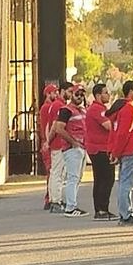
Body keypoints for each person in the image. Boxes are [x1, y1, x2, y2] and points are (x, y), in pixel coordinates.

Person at [97, 80, 133, 223]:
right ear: (131, 91)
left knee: (124, 183)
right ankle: (126, 215)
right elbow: (123, 133)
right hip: (131, 151)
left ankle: (125, 213)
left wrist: (113, 151)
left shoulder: (120, 108)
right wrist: (115, 152)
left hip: (126, 151)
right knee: (126, 184)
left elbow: (115, 132)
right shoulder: (129, 109)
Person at [40, 80, 83, 215]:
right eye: (70, 92)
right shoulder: (58, 106)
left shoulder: (56, 105)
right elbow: (53, 126)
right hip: (59, 143)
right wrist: (48, 141)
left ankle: (54, 199)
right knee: (57, 173)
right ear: (63, 91)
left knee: (57, 172)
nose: (71, 94)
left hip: (57, 142)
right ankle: (55, 200)